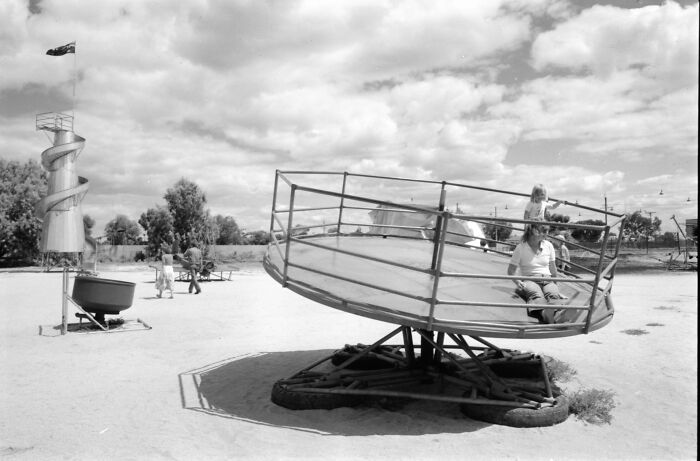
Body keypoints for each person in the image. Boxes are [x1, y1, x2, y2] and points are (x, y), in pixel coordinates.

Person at [507, 224, 566, 323]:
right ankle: (546, 314)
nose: (547, 233)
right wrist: (518, 282)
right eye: (544, 231)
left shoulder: (548, 245)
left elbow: (553, 268)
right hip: (530, 279)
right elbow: (510, 271)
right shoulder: (521, 247)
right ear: (534, 231)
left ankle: (554, 314)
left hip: (547, 279)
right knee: (536, 295)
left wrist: (556, 287)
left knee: (553, 293)